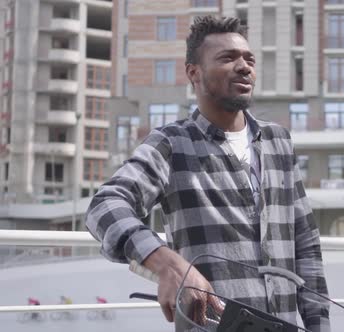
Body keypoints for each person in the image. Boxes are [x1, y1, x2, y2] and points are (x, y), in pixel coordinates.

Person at [85, 16, 330, 331]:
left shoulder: (277, 141)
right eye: (228, 58)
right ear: (193, 73)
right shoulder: (172, 143)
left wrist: (319, 325)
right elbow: (105, 205)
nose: (244, 67)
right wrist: (164, 262)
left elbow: (305, 243)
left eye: (249, 59)